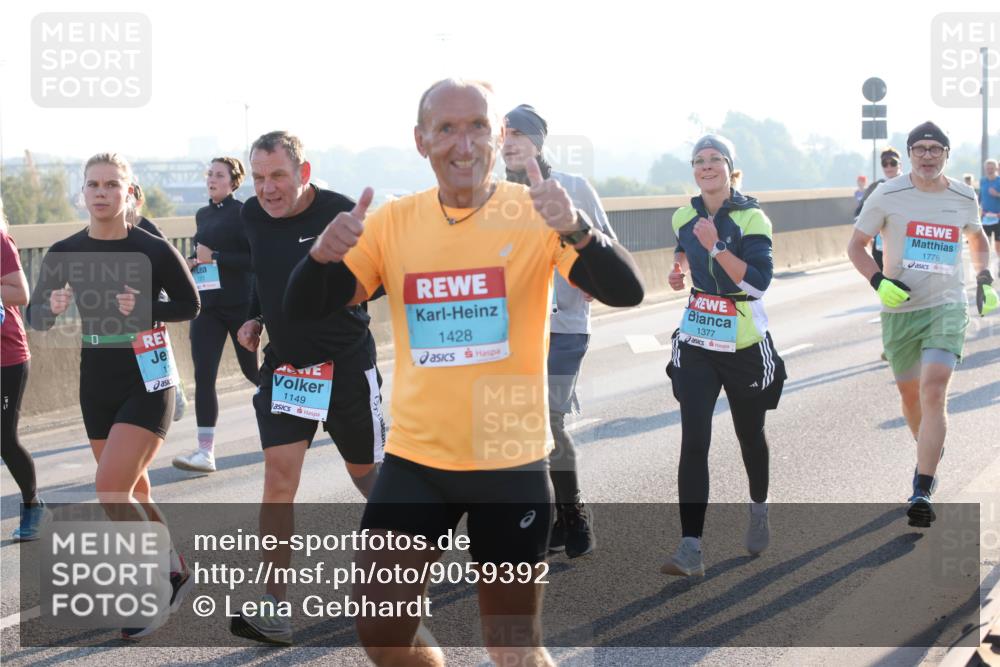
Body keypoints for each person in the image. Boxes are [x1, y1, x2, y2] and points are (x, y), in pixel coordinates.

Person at [285, 78, 643, 667]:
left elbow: (625, 291)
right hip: (418, 461)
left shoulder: (534, 214)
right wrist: (319, 256)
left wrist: (577, 228)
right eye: (446, 128)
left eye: (478, 125)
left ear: (498, 139)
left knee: (511, 647)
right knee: (380, 632)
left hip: (509, 459)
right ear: (421, 140)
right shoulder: (394, 223)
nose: (463, 142)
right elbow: (304, 306)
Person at [27, 153, 200, 638]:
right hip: (96, 376)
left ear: (128, 192)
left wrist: (147, 304)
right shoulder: (64, 251)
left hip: (147, 375)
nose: (101, 193)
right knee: (133, 488)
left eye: (111, 185)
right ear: (83, 193)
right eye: (92, 185)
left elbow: (191, 303)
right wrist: (52, 306)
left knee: (110, 489)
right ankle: (173, 567)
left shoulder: (151, 249)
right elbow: (36, 318)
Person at [228, 131, 386, 646]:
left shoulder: (339, 212)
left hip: (344, 366)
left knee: (370, 479)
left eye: (278, 176)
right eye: (258, 178)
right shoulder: (251, 215)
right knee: (278, 479)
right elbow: (262, 271)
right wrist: (254, 316)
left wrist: (341, 293)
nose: (268, 189)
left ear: (304, 172)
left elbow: (379, 278)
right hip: (289, 369)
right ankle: (273, 605)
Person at [848, 121, 998, 528]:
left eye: (935, 149)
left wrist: (984, 277)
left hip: (946, 305)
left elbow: (978, 237)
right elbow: (856, 246)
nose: (927, 156)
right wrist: (878, 280)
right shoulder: (887, 194)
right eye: (920, 149)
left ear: (946, 154)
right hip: (901, 312)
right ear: (910, 154)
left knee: (934, 389)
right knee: (911, 395)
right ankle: (928, 446)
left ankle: (922, 485)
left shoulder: (963, 195)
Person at [662, 134, 786, 577]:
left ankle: (758, 507)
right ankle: (690, 547)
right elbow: (682, 245)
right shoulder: (683, 214)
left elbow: (756, 283)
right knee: (694, 439)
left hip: (744, 344)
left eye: (715, 159)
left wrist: (717, 247)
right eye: (699, 160)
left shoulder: (753, 218)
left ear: (730, 168)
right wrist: (679, 269)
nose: (706, 166)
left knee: (749, 436)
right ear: (693, 170)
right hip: (698, 338)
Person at [501, 103, 618, 559]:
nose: (509, 142)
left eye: (519, 134)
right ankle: (543, 519)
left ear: (538, 142)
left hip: (563, 326)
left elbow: (606, 245)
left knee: (547, 421)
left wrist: (594, 276)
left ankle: (573, 514)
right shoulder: (490, 197)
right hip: (507, 332)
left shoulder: (572, 188)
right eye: (503, 134)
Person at [172, 157, 259, 473]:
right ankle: (205, 453)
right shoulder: (202, 214)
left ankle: (300, 410)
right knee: (203, 377)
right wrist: (195, 262)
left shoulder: (244, 212)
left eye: (219, 175)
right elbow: (205, 257)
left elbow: (253, 260)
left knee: (253, 373)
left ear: (233, 182)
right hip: (207, 307)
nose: (211, 179)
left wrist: (217, 257)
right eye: (209, 173)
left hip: (239, 306)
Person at [2, 197, 49, 541]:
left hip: (7, 355)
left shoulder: (0, 241)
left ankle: (34, 506)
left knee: (4, 438)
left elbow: (20, 292)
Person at [128, 182, 190, 421]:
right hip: (120, 314)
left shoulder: (149, 230)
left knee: (152, 362)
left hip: (150, 306)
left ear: (138, 202)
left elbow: (171, 269)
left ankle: (173, 393)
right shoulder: (108, 230)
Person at [855, 147, 903, 271]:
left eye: (893, 163)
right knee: (886, 284)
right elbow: (860, 212)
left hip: (905, 244)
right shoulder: (876, 187)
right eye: (885, 164)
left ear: (900, 165)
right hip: (881, 245)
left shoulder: (912, 184)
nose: (889, 167)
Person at [980, 159, 1000, 274]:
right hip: (986, 218)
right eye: (988, 168)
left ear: (996, 168)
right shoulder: (983, 181)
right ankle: (985, 269)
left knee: (998, 246)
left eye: (992, 168)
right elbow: (981, 198)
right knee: (986, 243)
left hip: (998, 218)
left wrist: (997, 194)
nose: (989, 170)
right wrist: (980, 211)